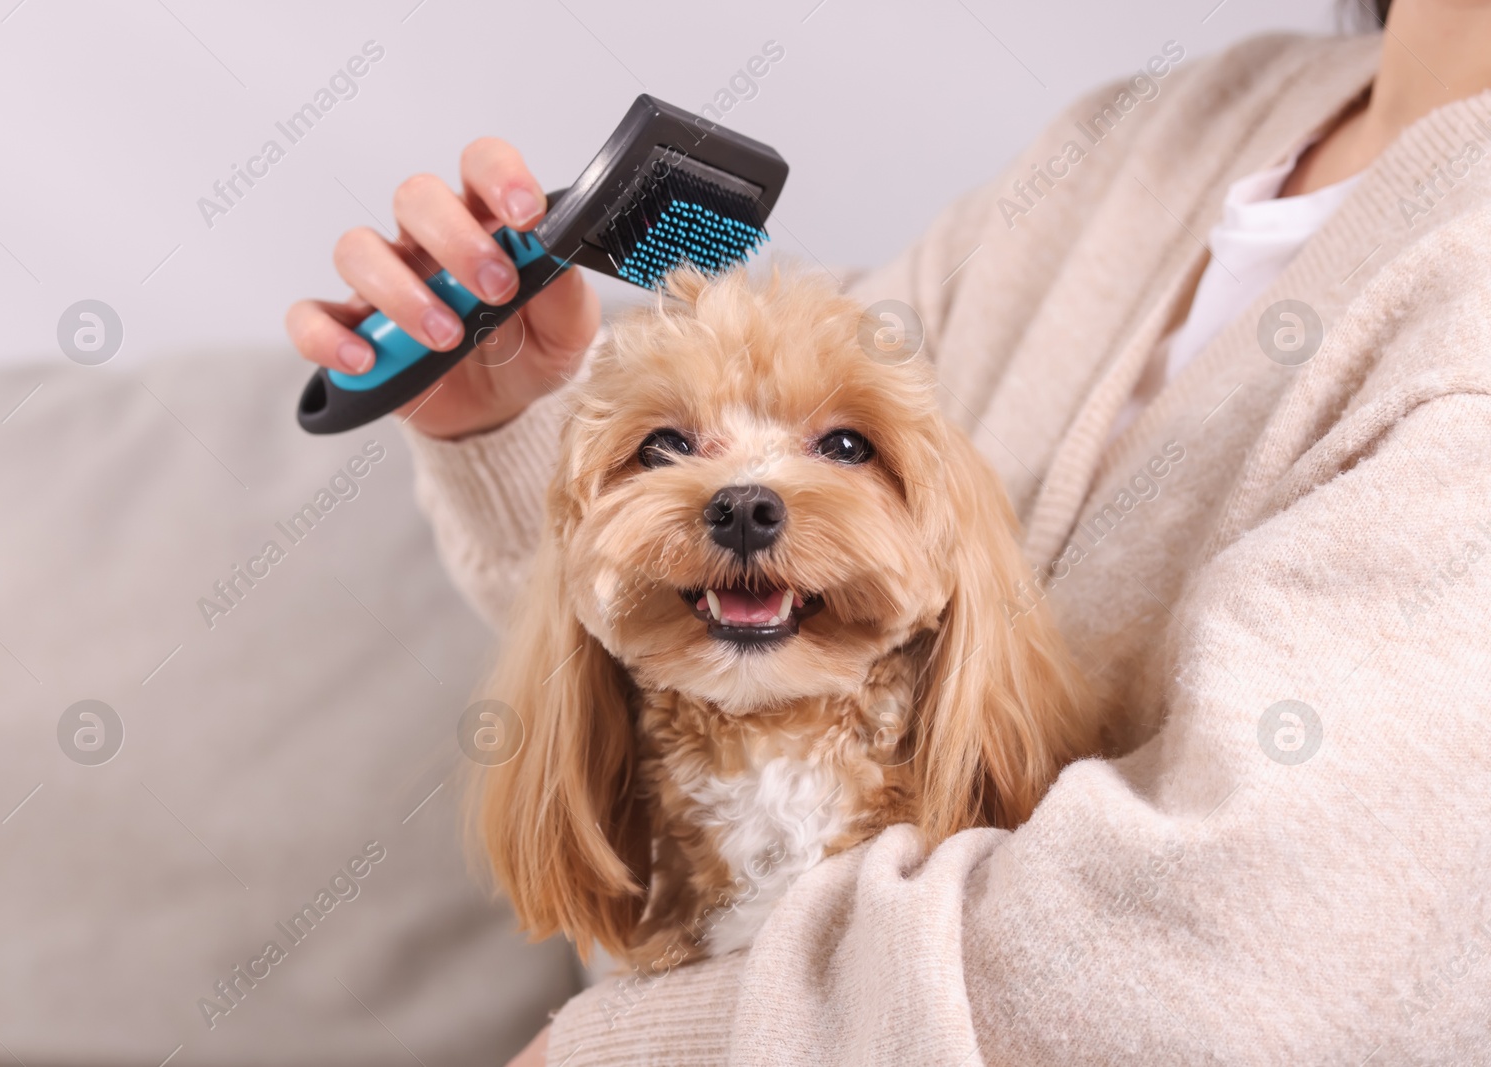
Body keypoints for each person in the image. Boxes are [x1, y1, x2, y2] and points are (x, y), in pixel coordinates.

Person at [287, 0, 1491, 1061]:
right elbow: (705, 639)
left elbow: (1245, 956)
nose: (756, 491)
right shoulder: (1149, 132)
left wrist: (636, 1051)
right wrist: (514, 421)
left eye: (842, 447)